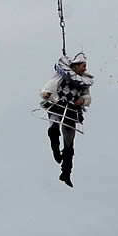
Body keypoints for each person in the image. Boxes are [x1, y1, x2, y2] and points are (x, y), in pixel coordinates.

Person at [40, 51, 94, 188]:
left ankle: (66, 173)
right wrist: (46, 93)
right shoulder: (61, 76)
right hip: (57, 106)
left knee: (69, 143)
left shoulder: (83, 83)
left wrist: (82, 101)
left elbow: (87, 97)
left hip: (71, 111)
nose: (85, 68)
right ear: (75, 66)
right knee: (53, 128)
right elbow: (49, 86)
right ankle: (55, 149)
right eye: (83, 65)